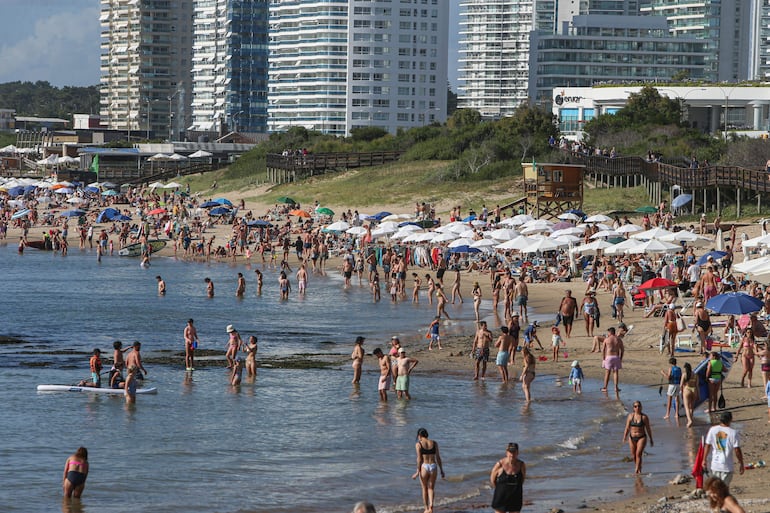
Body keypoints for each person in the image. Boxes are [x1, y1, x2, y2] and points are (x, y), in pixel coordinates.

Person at [703, 411, 744, 485]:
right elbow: (737, 450)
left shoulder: (713, 430)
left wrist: (704, 459)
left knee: (717, 488)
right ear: (730, 420)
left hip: (715, 465)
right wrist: (741, 463)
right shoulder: (733, 433)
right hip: (726, 466)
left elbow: (707, 445)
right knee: (724, 489)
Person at [411, 428, 444, 513]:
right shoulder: (434, 443)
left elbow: (419, 459)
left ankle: (426, 508)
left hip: (424, 467)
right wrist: (442, 470)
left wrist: (417, 471)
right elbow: (438, 457)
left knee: (424, 488)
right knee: (431, 488)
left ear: (420, 435)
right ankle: (431, 505)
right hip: (433, 466)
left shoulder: (418, 444)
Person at [490, 442, 526, 513]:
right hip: (501, 497)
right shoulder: (499, 465)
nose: (512, 455)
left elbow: (522, 480)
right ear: (506, 452)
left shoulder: (522, 465)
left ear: (517, 452)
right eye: (510, 452)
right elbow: (492, 480)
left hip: (515, 497)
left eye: (514, 452)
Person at [622, 401, 654, 474]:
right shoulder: (630, 416)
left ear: (641, 407)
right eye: (635, 406)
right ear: (633, 408)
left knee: (638, 454)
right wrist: (624, 437)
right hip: (632, 438)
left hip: (641, 437)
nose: (637, 408)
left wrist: (651, 439)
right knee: (633, 455)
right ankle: (639, 467)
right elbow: (627, 428)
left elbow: (648, 429)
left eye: (639, 406)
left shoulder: (644, 417)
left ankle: (636, 470)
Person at [601, 327, 624, 393]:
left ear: (610, 332)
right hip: (616, 356)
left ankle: (605, 387)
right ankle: (616, 387)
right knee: (615, 372)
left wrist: (603, 358)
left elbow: (603, 350)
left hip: (609, 356)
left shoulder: (607, 339)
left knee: (607, 372)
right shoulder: (618, 339)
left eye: (608, 332)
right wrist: (620, 358)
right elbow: (622, 350)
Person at [681, 362, 700, 427]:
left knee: (686, 407)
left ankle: (689, 420)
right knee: (691, 407)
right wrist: (698, 394)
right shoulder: (695, 375)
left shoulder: (684, 375)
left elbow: (681, 385)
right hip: (694, 390)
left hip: (687, 390)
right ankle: (691, 420)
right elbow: (697, 386)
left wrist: (681, 392)